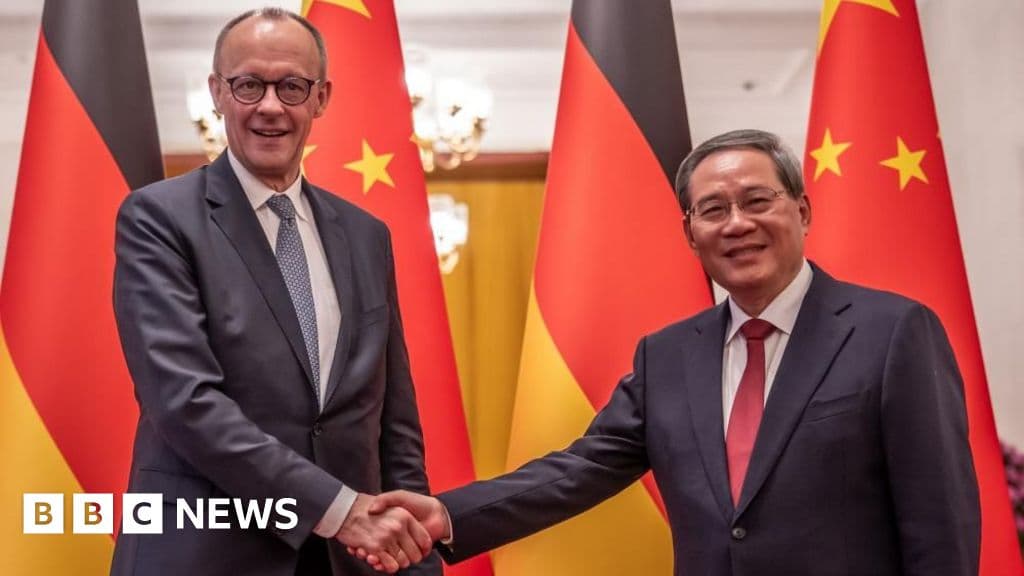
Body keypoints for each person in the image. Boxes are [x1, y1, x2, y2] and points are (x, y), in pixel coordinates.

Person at [361, 129, 981, 575]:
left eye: (757, 200)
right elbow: (578, 470)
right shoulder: (668, 357)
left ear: (802, 209)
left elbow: (939, 521)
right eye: (712, 210)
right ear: (691, 234)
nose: (736, 223)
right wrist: (443, 514)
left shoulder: (894, 331)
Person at [111, 8, 437, 576]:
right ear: (217, 92)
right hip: (206, 554)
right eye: (247, 84)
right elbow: (184, 402)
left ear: (321, 97)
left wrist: (412, 554)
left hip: (349, 561)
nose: (269, 106)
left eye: (291, 86)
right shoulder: (158, 219)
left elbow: (392, 415)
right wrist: (336, 510)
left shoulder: (366, 235)